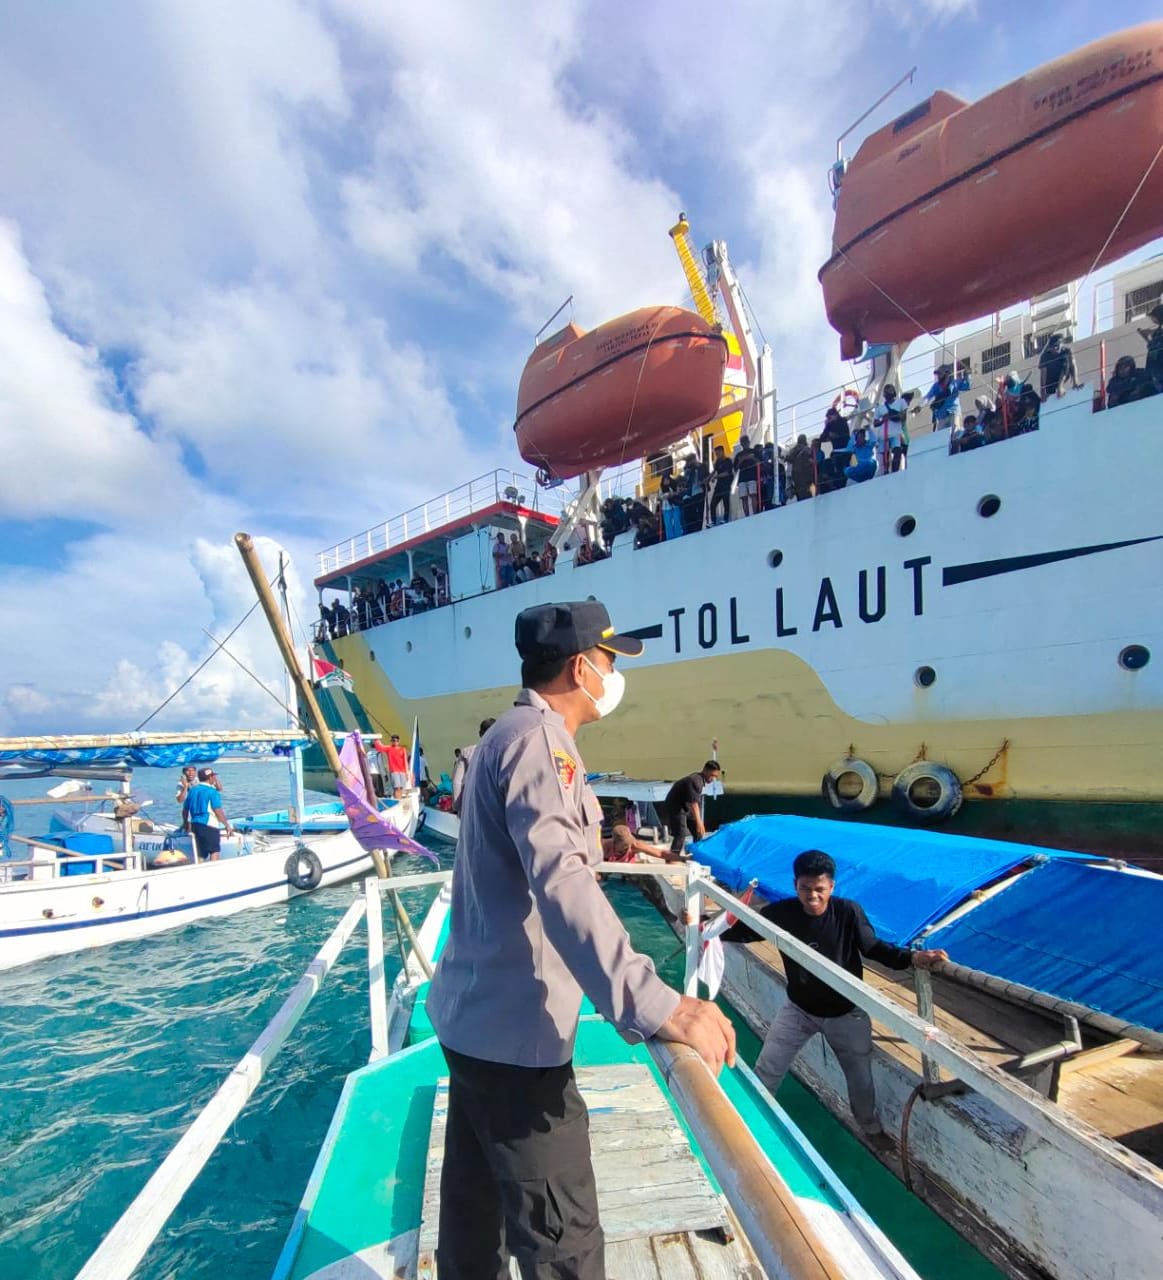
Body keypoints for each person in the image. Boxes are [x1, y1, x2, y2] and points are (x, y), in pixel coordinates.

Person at [426, 600, 735, 1278]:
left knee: (473, 1213)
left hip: (473, 1020)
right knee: (561, 1239)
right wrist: (658, 1004)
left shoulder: (497, 738)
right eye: (608, 661)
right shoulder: (540, 743)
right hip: (516, 1039)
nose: (612, 674)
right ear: (578, 667)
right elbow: (562, 881)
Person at [721, 849, 947, 1148]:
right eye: (805, 889)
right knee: (767, 1067)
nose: (812, 896)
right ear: (794, 885)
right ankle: (748, 1121)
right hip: (798, 1009)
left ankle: (870, 1127)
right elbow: (740, 932)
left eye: (819, 889)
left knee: (861, 1081)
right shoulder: (781, 913)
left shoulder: (848, 912)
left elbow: (874, 948)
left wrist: (913, 957)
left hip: (846, 1013)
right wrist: (701, 924)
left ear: (832, 887)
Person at [663, 761, 722, 857]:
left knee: (698, 831)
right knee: (680, 834)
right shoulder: (695, 781)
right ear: (705, 770)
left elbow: (694, 803)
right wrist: (699, 822)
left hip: (686, 805)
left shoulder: (699, 779)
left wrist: (698, 824)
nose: (713, 779)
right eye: (712, 775)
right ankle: (672, 857)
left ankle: (695, 854)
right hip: (676, 805)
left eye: (715, 777)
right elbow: (694, 804)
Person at [182, 768, 234, 861]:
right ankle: (213, 872)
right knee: (214, 851)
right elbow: (217, 810)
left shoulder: (193, 790)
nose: (215, 778)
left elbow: (185, 810)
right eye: (213, 776)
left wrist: (186, 824)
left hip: (195, 824)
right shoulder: (212, 791)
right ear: (210, 778)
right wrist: (226, 825)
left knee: (201, 853)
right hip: (209, 824)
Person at [451, 717, 496, 815]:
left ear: (480, 733)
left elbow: (457, 782)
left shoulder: (466, 752)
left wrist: (457, 806)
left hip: (471, 803)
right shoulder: (504, 752)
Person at [873, 384, 908, 472]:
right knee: (885, 460)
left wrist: (892, 416)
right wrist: (882, 420)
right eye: (886, 391)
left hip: (896, 434)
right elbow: (875, 423)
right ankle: (886, 474)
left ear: (894, 391)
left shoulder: (901, 402)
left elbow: (904, 417)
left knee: (897, 452)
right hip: (883, 436)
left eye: (890, 390)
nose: (888, 392)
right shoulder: (880, 408)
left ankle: (895, 473)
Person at [924, 364, 970, 432]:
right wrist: (919, 406)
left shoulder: (955, 382)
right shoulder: (936, 386)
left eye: (940, 374)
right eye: (938, 374)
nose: (938, 376)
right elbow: (928, 397)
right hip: (941, 415)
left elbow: (967, 386)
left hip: (953, 412)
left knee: (955, 432)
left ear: (947, 373)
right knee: (942, 435)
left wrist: (967, 376)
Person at [1039, 332, 1077, 400]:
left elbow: (1073, 365)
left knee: (1066, 359)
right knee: (1050, 393)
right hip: (1050, 380)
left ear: (1062, 344)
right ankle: (1056, 389)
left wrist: (1075, 382)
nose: (1055, 348)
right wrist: (1043, 394)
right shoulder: (1045, 356)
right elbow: (1043, 376)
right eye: (1053, 347)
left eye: (1057, 346)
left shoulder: (1067, 351)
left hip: (1062, 375)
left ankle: (1060, 387)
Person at [1137, 303, 1163, 394]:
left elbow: (1156, 346)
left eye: (1153, 317)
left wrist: (1148, 335)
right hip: (1155, 365)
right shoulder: (1158, 331)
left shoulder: (1159, 331)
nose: (1152, 320)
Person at [375, 733, 411, 798]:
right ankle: (397, 801)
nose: (395, 742)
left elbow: (405, 761)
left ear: (398, 741)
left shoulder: (403, 749)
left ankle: (398, 800)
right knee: (397, 787)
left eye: (396, 740)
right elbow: (380, 747)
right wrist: (377, 739)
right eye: (393, 740)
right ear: (391, 741)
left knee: (401, 788)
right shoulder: (389, 748)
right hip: (394, 771)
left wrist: (407, 772)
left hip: (402, 771)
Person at [734, 435, 761, 516]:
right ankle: (747, 516)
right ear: (741, 444)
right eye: (743, 442)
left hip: (752, 476)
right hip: (742, 478)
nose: (745, 443)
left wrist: (751, 458)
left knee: (753, 495)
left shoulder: (754, 451)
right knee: (744, 498)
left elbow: (759, 463)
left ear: (748, 442)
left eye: (746, 442)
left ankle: (755, 514)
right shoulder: (738, 455)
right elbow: (735, 468)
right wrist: (742, 460)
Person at [709, 445, 733, 525]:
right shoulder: (717, 462)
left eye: (718, 453)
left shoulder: (728, 461)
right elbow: (714, 472)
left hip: (726, 485)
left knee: (726, 502)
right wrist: (708, 479)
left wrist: (716, 477)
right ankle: (713, 521)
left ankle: (725, 519)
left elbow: (727, 473)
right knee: (712, 504)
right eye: (716, 454)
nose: (717, 455)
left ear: (722, 452)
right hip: (718, 486)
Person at [787, 433, 814, 502]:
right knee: (809, 494)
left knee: (800, 495)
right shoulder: (807, 450)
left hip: (796, 475)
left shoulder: (792, 451)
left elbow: (789, 461)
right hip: (807, 476)